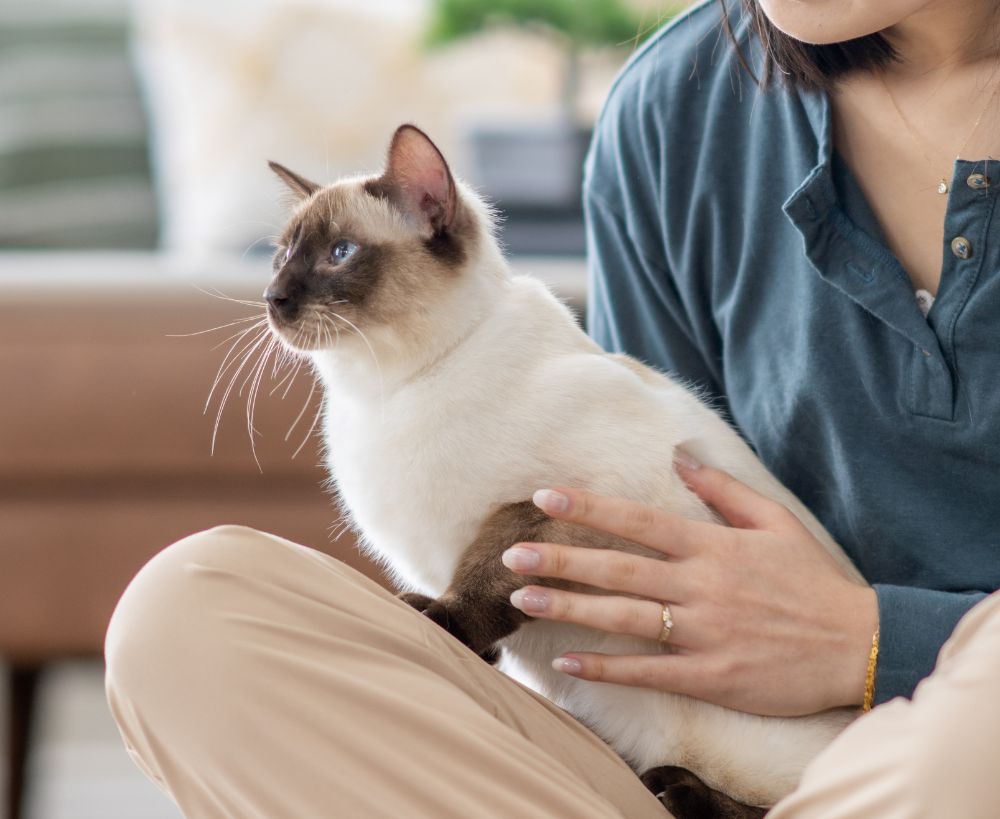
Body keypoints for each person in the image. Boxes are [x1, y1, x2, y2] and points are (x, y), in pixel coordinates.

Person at [104, 0, 1000, 816]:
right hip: (676, 770)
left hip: (940, 761)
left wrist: (871, 640)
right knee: (189, 623)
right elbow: (633, 486)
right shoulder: (675, 108)